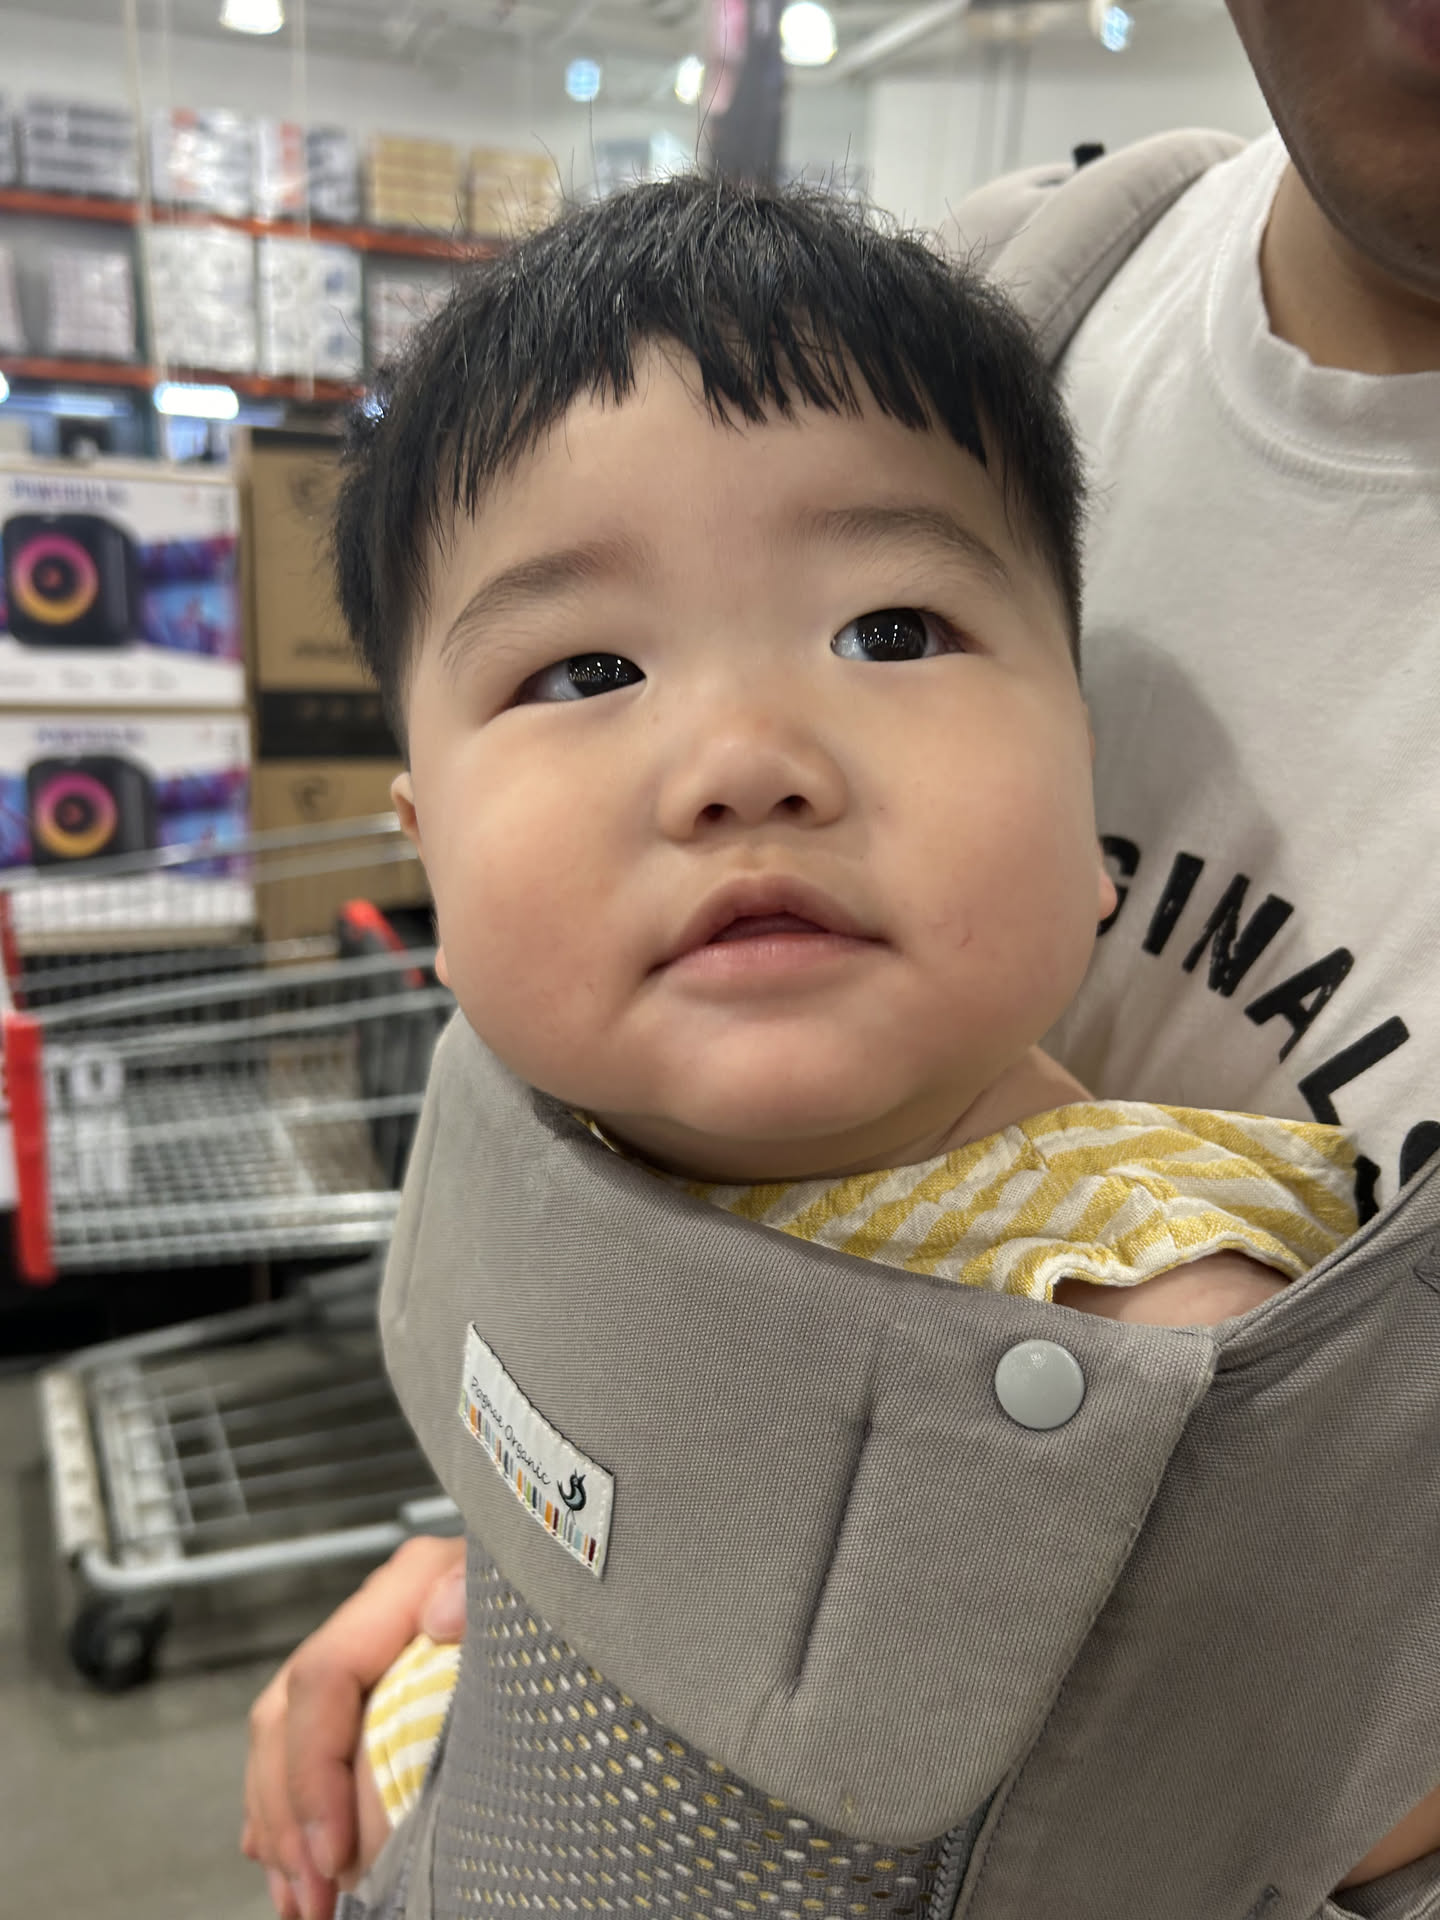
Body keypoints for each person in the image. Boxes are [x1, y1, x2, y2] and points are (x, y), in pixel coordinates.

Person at [241, 0, 1440, 1909]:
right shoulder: (1021, 306)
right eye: (585, 669)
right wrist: (545, 1559)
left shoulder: (1142, 1315)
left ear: (1095, 788)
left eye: (890, 635)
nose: (744, 762)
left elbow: (1341, 1780)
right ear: (426, 850)